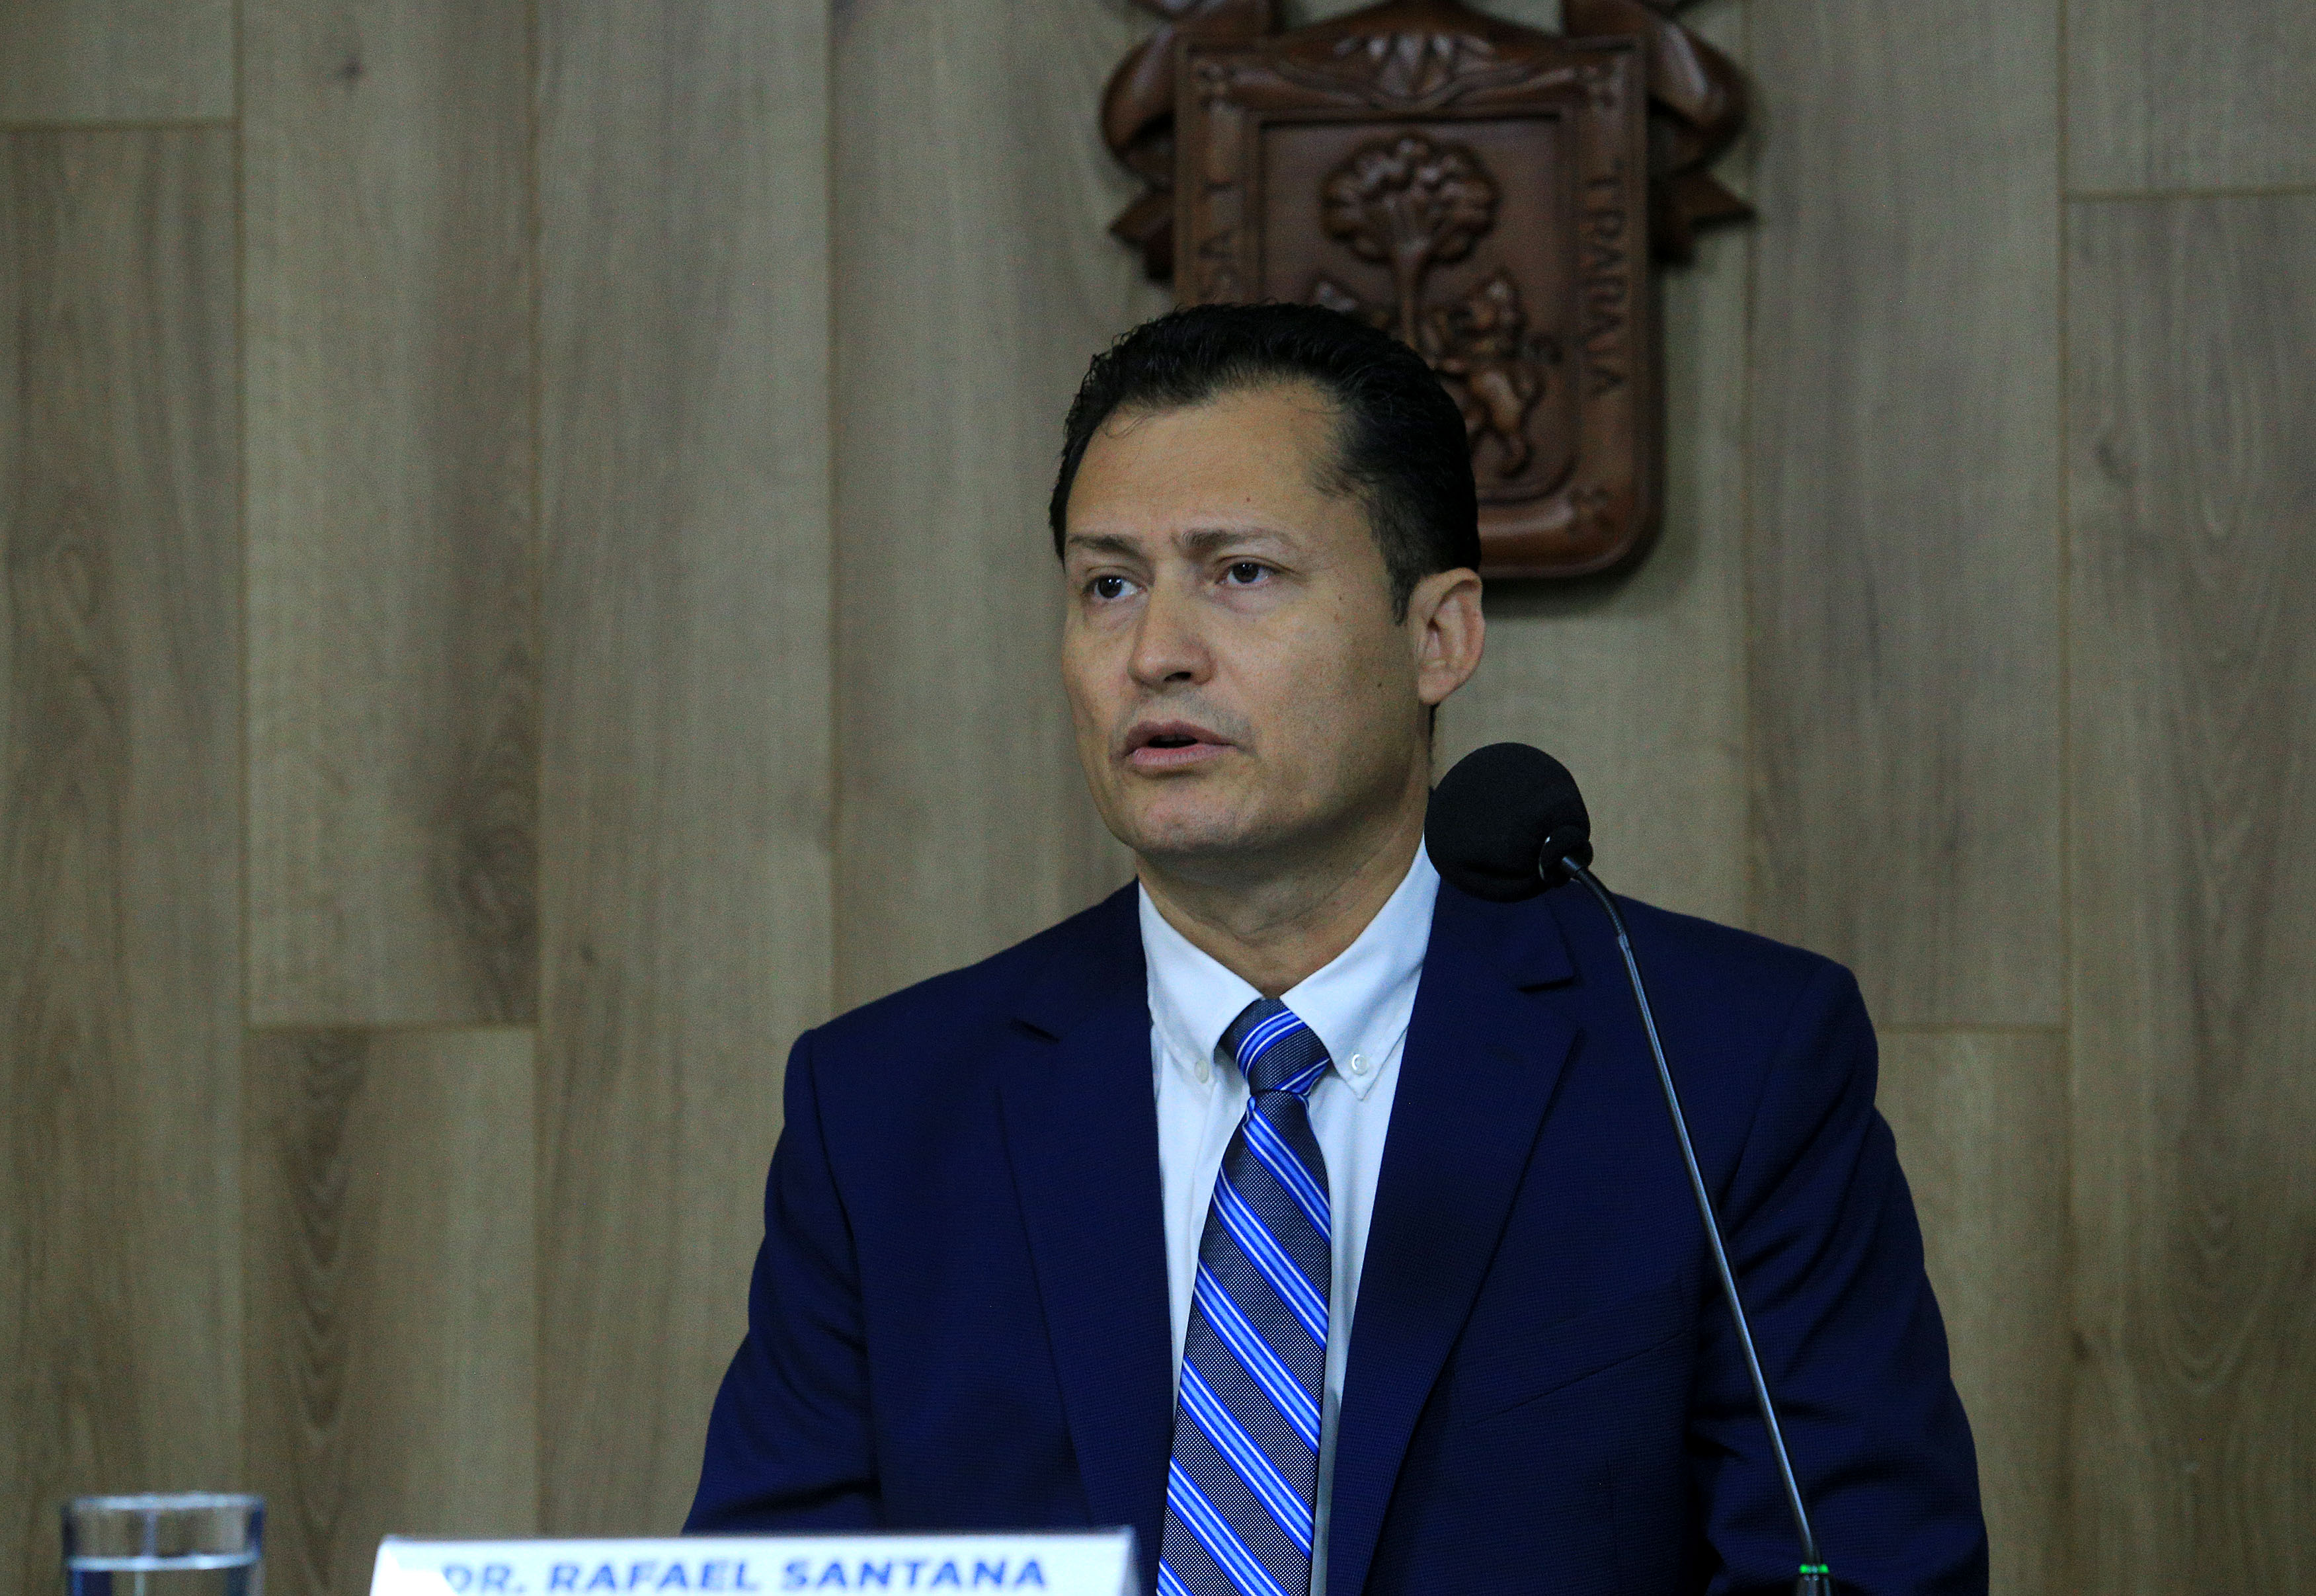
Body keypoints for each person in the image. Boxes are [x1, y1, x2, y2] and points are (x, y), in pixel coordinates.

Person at [686, 303, 1989, 1596]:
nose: (1155, 653)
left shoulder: (1716, 1067)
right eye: (1108, 586)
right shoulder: (886, 1112)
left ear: (1438, 636)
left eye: (1241, 574)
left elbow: (1862, 1573)